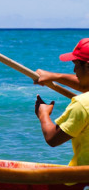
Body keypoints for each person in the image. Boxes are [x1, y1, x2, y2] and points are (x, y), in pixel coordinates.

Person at [33, 38, 89, 166]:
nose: (74, 70)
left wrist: (43, 114)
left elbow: (53, 138)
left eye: (76, 64)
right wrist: (55, 76)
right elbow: (85, 86)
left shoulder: (82, 104)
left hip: (82, 180)